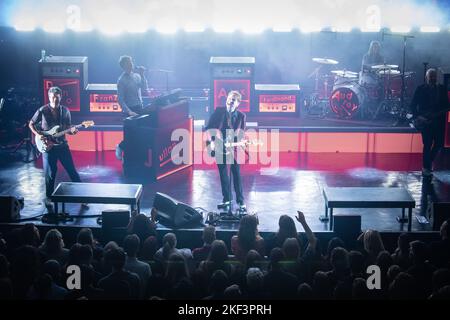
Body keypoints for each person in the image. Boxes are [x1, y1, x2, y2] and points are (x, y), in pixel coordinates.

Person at [28, 86, 84, 212]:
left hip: (62, 146)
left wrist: (73, 131)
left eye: (57, 97)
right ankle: (48, 197)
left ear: (61, 97)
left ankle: (83, 196)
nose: (55, 100)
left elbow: (68, 127)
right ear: (49, 97)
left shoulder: (65, 111)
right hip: (48, 146)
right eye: (53, 97)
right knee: (50, 174)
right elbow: (31, 123)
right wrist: (38, 135)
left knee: (72, 171)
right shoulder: (42, 110)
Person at [205, 90, 247, 211]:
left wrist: (236, 142)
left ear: (238, 103)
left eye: (233, 99)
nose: (230, 100)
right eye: (229, 98)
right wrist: (211, 142)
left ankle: (240, 201)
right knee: (223, 173)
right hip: (218, 144)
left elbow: (240, 134)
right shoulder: (219, 111)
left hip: (233, 146)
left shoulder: (241, 116)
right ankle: (227, 199)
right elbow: (208, 128)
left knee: (236, 173)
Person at [410, 68, 449, 176]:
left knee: (439, 144)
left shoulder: (442, 89)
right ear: (426, 77)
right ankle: (426, 167)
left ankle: (428, 161)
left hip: (438, 122)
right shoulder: (420, 89)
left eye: (434, 76)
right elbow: (412, 105)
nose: (433, 78)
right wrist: (419, 117)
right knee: (427, 144)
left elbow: (446, 105)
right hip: (425, 122)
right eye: (430, 76)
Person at [115, 55, 148, 160]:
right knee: (131, 135)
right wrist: (129, 112)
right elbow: (120, 99)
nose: (131, 64)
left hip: (139, 106)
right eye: (128, 62)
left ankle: (136, 157)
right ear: (124, 65)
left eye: (131, 61)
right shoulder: (121, 80)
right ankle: (121, 147)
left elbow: (144, 89)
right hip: (130, 109)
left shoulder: (137, 76)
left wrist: (142, 75)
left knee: (140, 134)